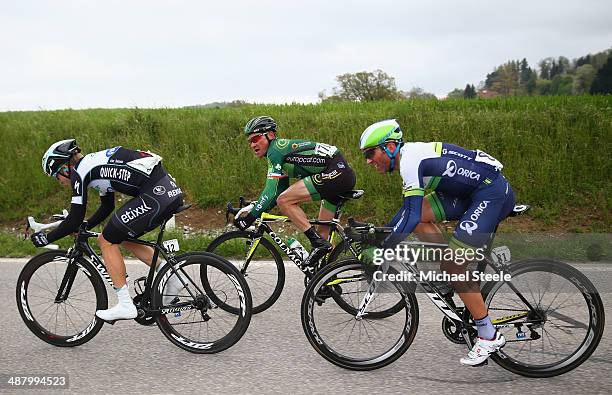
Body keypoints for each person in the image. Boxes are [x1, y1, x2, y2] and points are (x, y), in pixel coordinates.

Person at [359, 119, 515, 366]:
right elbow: (410, 212)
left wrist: (382, 248)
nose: (368, 160)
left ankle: (488, 335)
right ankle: (448, 276)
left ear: (390, 146)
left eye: (370, 153)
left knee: (454, 267)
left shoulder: (409, 162)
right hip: (468, 192)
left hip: (490, 194)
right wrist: (381, 234)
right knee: (422, 220)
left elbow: (408, 217)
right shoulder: (408, 158)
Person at [32, 139, 185, 321]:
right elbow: (107, 206)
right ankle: (168, 273)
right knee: (121, 235)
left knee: (106, 240)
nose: (59, 182)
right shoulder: (95, 163)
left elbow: (74, 218)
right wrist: (86, 226)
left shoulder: (80, 172)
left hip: (156, 195)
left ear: (65, 167)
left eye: (56, 176)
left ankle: (126, 305)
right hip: (166, 192)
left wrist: (46, 239)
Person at [235, 116, 356, 271]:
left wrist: (251, 218)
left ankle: (317, 243)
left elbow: (274, 194)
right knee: (322, 236)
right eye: (250, 141)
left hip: (336, 172)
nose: (253, 144)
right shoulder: (280, 153)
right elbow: (276, 191)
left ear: (270, 135)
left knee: (285, 201)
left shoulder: (275, 151)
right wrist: (255, 208)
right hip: (339, 173)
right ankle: (326, 280)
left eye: (256, 138)